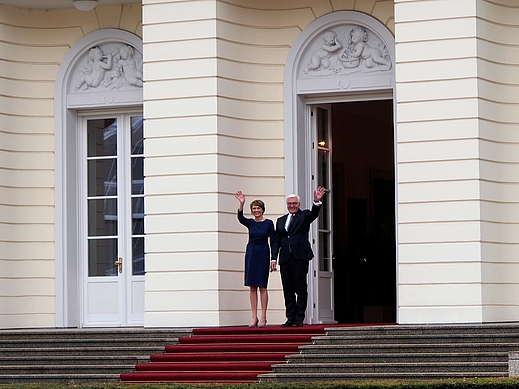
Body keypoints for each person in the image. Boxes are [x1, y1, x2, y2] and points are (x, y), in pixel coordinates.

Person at [270, 186, 326, 327]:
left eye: (294, 203)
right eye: (289, 204)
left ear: (299, 204)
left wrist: (316, 201)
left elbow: (314, 213)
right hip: (285, 258)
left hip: (300, 257)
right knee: (288, 289)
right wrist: (273, 258)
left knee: (300, 287)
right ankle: (290, 318)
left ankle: (299, 318)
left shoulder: (304, 216)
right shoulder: (281, 220)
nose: (292, 206)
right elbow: (277, 240)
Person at [235, 191, 275, 327]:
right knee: (252, 286)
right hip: (251, 252)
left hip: (263, 252)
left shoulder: (269, 223)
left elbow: (274, 241)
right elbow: (240, 218)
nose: (256, 210)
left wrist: (273, 259)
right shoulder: (251, 223)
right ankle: (254, 317)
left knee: (262, 286)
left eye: (258, 208)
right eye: (254, 209)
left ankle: (263, 316)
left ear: (263, 210)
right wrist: (242, 203)